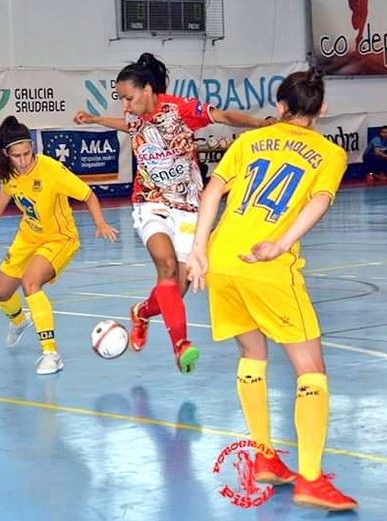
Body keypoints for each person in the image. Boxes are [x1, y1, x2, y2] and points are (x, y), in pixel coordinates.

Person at [185, 68, 357, 511]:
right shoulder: (329, 153)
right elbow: (318, 202)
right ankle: (312, 480)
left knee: (251, 355)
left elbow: (212, 192)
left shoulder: (247, 142)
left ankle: (265, 457)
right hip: (267, 265)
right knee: (310, 368)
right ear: (321, 109)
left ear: (279, 107)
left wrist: (198, 250)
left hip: (222, 259)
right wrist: (279, 244)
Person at [73, 52, 270, 374]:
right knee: (165, 266)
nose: (124, 105)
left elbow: (222, 117)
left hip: (189, 205)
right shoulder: (136, 114)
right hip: (150, 201)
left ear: (148, 89)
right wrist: (96, 120)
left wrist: (261, 125)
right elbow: (128, 124)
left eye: (128, 97)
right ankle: (181, 344)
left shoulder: (180, 109)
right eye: (120, 99)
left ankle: (140, 312)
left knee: (175, 290)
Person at [0, 116, 118, 375]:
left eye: (27, 154)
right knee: (0, 293)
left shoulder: (51, 169)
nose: (23, 161)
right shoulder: (10, 171)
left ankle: (51, 354)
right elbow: (5, 192)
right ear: (7, 154)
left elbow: (88, 194)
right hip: (28, 236)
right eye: (17, 156)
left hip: (59, 238)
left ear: (33, 149)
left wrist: (100, 223)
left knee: (31, 284)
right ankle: (20, 320)